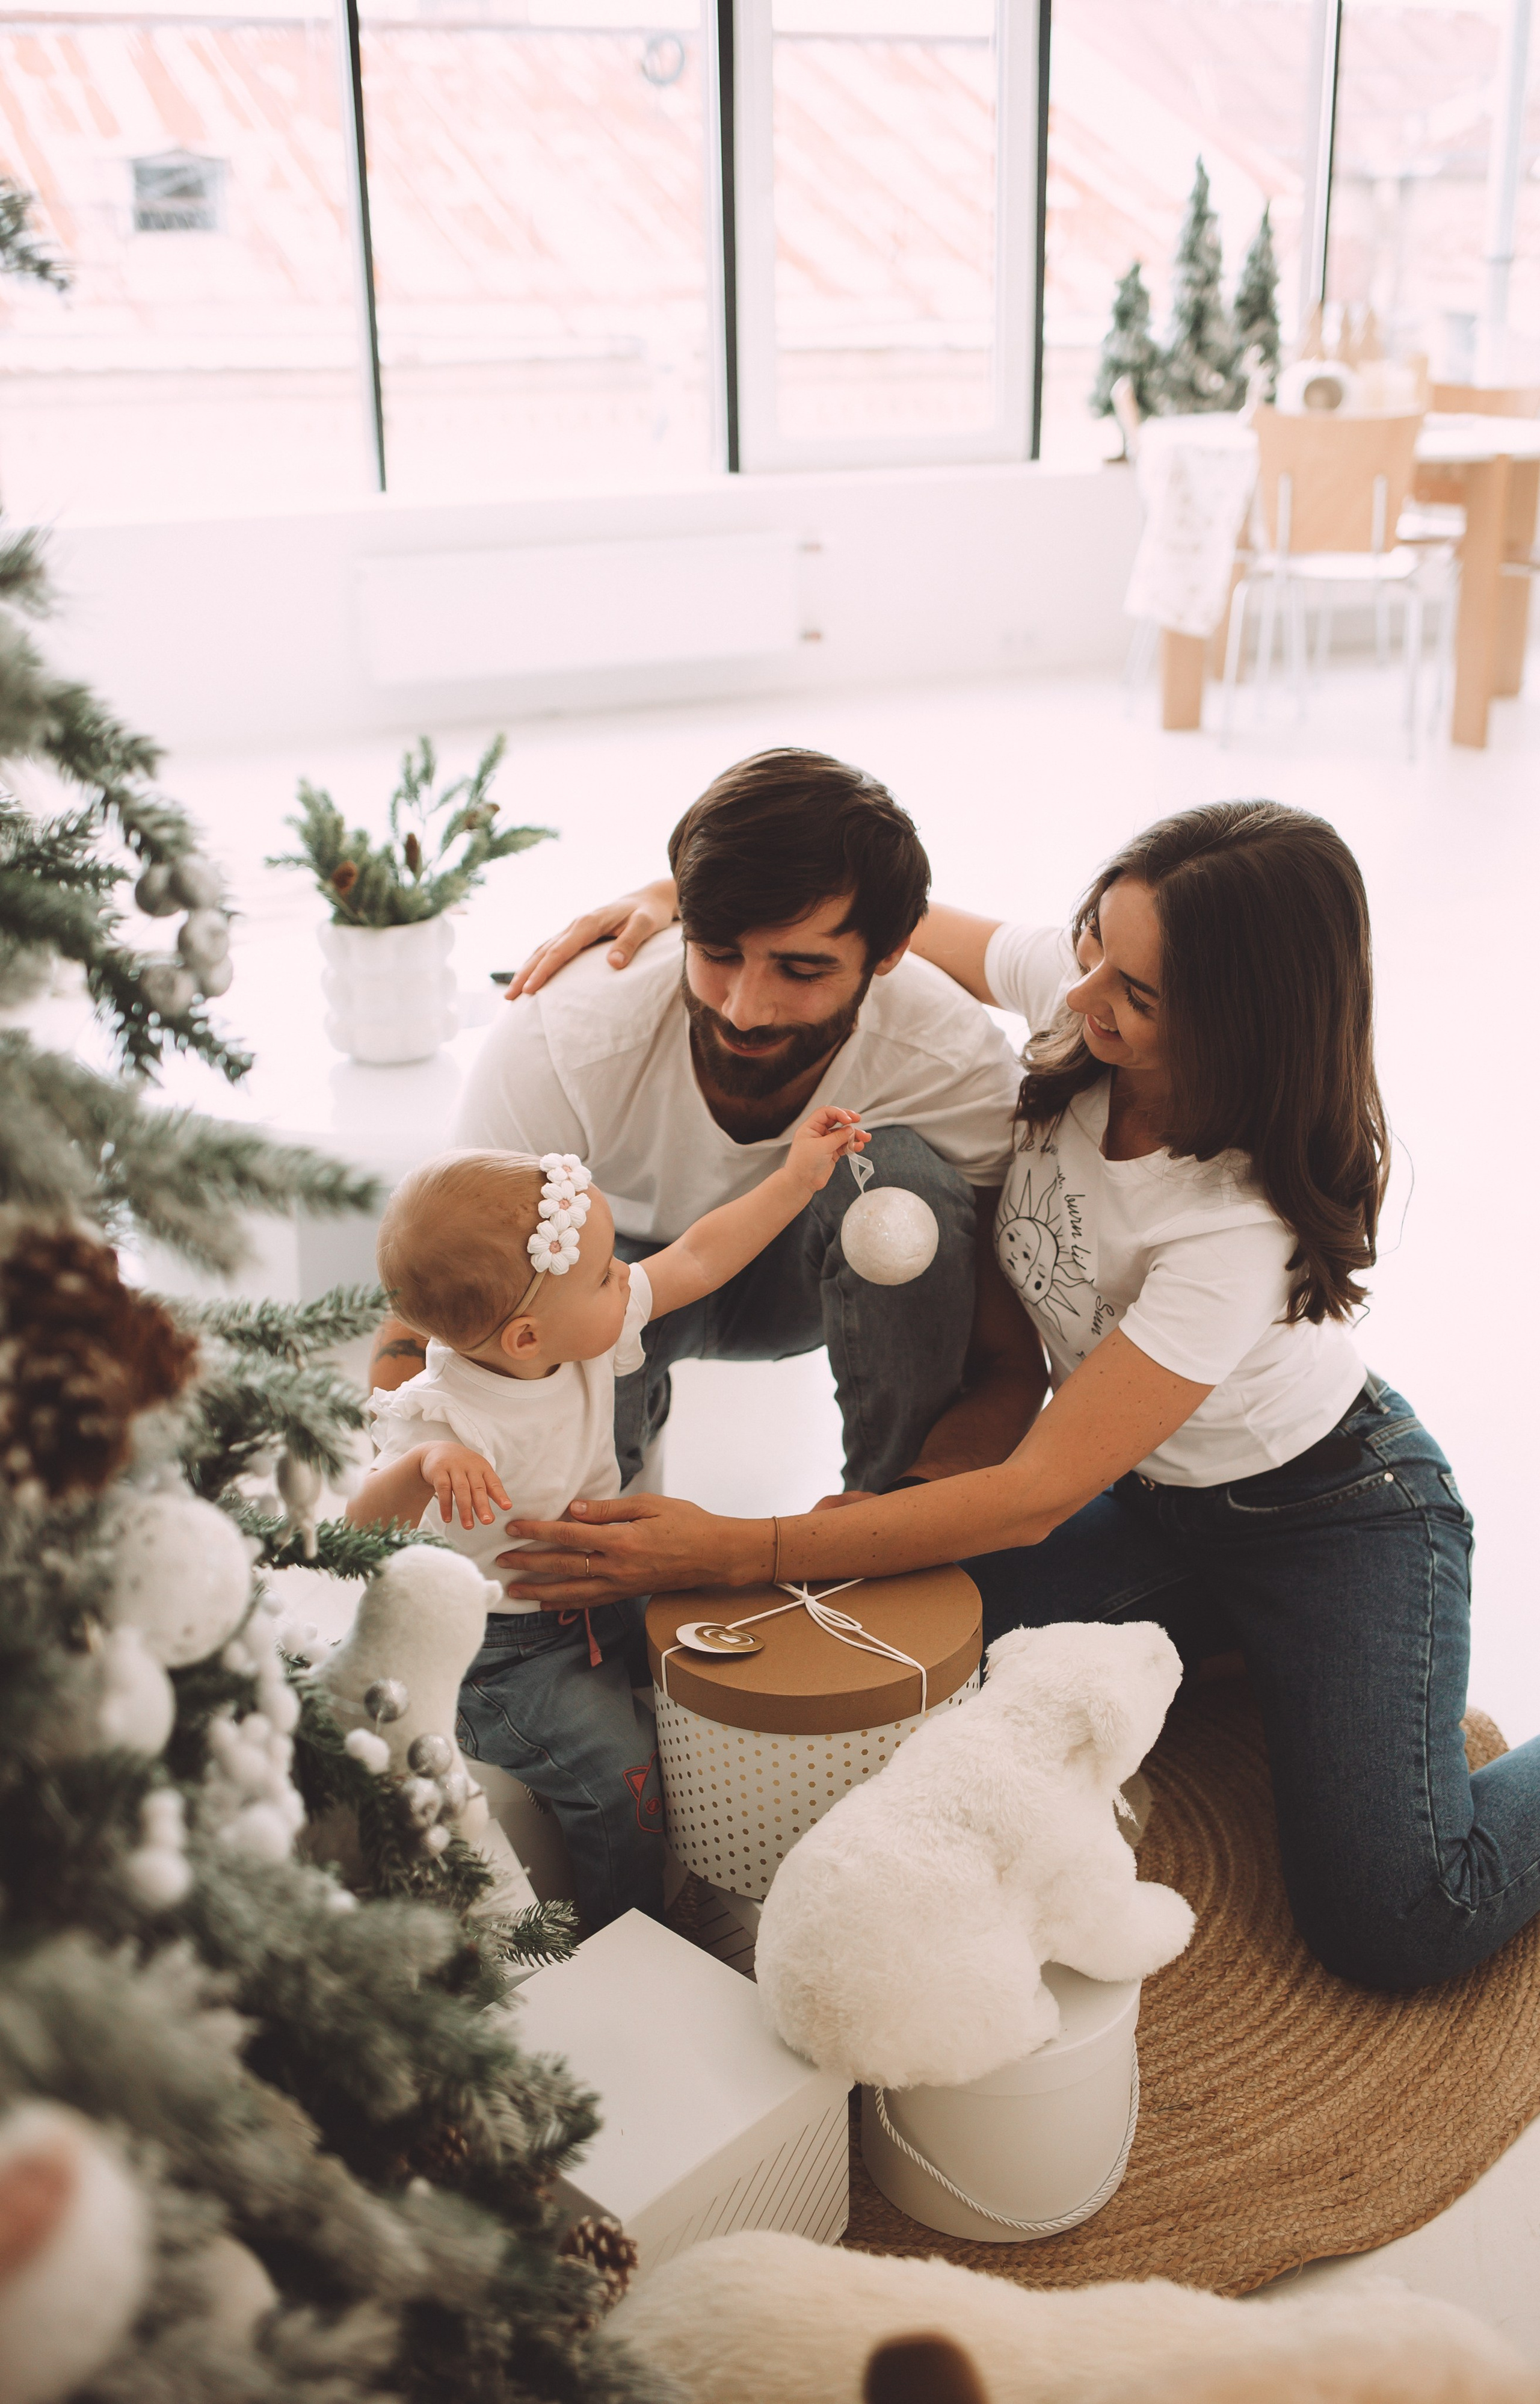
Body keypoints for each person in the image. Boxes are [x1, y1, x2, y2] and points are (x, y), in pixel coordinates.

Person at [498, 800, 1540, 1994]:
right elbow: (871, 916)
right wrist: (686, 904)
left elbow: (1033, 1496)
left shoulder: (1230, 1224)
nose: (1081, 989)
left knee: (1399, 1918)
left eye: (1134, 993)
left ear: (1244, 1023)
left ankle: (1256, 1636)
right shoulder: (1090, 989)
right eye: (1090, 938)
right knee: (885, 1674)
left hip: (1329, 1512)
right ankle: (1219, 1638)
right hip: (1152, 1502)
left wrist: (740, 1548)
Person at [368, 748, 1036, 1496]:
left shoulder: (947, 1056)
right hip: (604, 1279)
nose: (743, 1010)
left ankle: (881, 1522)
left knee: (903, 1183)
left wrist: (898, 1523)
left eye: (802, 970)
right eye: (716, 952)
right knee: (541, 1297)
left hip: (799, 1282)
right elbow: (431, 1311)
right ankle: (591, 1535)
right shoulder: (560, 1038)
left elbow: (1005, 1362)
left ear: (890, 951)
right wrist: (400, 1478)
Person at [348, 1108, 868, 1929]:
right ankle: (632, 1932)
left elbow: (700, 1255)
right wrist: (422, 1467)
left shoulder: (576, 1325)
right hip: (507, 1651)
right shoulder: (439, 1414)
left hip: (605, 1578)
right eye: (602, 1273)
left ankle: (743, 1845)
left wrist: (797, 1177)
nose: (627, 1275)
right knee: (617, 1779)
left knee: (723, 1666)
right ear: (525, 1335)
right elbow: (359, 1529)